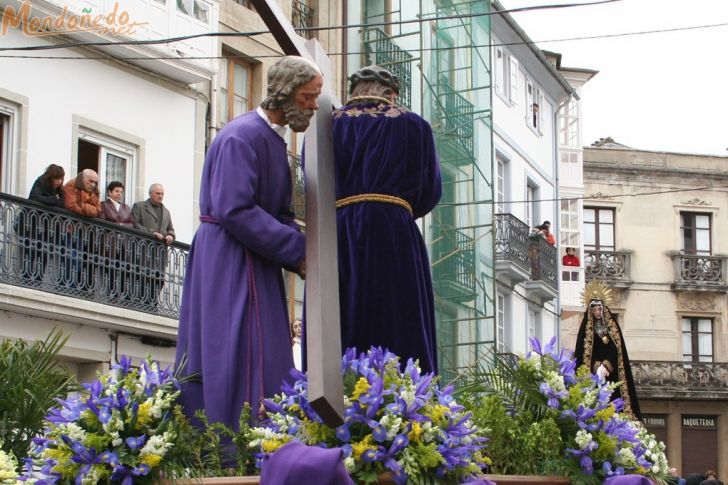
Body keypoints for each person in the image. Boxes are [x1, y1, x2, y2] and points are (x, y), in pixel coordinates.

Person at [174, 56, 319, 431]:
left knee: (267, 347)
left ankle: (267, 437)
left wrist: (306, 247)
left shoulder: (271, 139)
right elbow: (234, 208)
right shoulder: (242, 136)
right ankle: (229, 442)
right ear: (285, 94)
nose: (314, 106)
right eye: (308, 97)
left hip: (255, 254)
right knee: (235, 346)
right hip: (230, 256)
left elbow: (279, 210)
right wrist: (296, 250)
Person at [333, 66, 442, 374]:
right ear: (391, 92)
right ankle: (406, 403)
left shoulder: (328, 123)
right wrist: (400, 208)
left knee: (344, 314)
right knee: (400, 315)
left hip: (340, 231)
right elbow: (430, 189)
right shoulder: (414, 125)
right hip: (394, 230)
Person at [574, 279, 641, 419]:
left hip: (611, 374)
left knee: (615, 401)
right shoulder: (585, 330)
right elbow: (581, 354)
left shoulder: (612, 327)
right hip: (593, 374)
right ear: (590, 310)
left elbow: (616, 348)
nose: (598, 312)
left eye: (600, 309)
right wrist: (596, 366)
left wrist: (606, 365)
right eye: (595, 309)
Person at [19, 164, 65, 283]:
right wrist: (53, 200)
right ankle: (26, 278)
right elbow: (35, 198)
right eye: (56, 178)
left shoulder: (60, 190)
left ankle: (38, 280)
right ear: (51, 177)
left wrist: (52, 200)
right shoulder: (40, 182)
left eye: (60, 179)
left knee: (44, 252)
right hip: (32, 222)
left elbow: (62, 204)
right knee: (30, 250)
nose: (58, 182)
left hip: (47, 226)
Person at [131, 184, 175, 307]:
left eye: (162, 194)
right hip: (143, 250)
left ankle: (152, 304)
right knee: (142, 278)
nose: (160, 196)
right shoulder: (139, 206)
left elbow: (171, 228)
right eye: (158, 193)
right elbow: (134, 224)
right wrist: (151, 233)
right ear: (151, 193)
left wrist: (171, 235)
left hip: (160, 252)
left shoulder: (166, 212)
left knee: (158, 280)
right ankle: (142, 305)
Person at [62, 169, 102, 292]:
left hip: (81, 230)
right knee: (70, 258)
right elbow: (71, 205)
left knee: (78, 260)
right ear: (83, 178)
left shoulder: (94, 191)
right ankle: (66, 286)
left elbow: (98, 210)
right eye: (91, 181)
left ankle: (73, 286)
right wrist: (88, 209)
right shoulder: (71, 185)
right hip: (69, 228)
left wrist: (84, 206)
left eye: (95, 182)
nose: (93, 185)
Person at [99, 181, 134, 300]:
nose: (119, 194)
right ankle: (112, 294)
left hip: (123, 241)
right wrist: (119, 224)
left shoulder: (126, 207)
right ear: (109, 192)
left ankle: (125, 294)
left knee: (125, 267)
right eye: (117, 191)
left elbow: (131, 223)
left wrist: (121, 225)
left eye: (121, 192)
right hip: (110, 240)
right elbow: (103, 220)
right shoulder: (104, 205)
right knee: (111, 267)